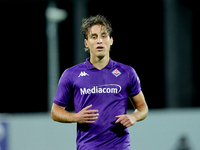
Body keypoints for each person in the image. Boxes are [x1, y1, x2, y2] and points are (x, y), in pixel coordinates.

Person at [51, 15, 148, 150]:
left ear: (111, 40)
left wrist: (134, 117)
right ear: (86, 43)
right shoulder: (71, 74)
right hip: (88, 146)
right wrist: (75, 117)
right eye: (94, 37)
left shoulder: (127, 72)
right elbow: (55, 112)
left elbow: (142, 107)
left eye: (103, 36)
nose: (99, 41)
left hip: (119, 146)